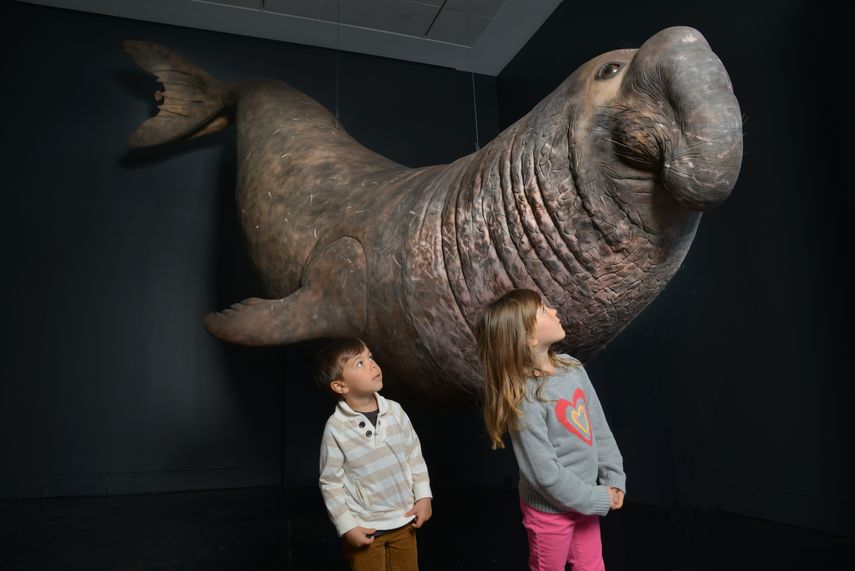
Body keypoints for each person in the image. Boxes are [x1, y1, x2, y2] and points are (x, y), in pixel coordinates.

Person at [476, 288, 626, 571]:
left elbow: (598, 428)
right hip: (549, 514)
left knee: (592, 566)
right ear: (529, 338)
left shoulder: (572, 368)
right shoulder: (525, 397)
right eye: (544, 310)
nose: (555, 311)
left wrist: (613, 477)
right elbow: (545, 476)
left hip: (586, 502)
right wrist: (595, 498)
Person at [314, 337, 432, 571]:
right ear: (340, 386)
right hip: (365, 526)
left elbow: (413, 456)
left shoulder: (395, 411)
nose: (372, 364)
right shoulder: (337, 428)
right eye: (359, 363)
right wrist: (347, 526)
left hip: (404, 519)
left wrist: (423, 496)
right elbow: (330, 482)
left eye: (370, 356)